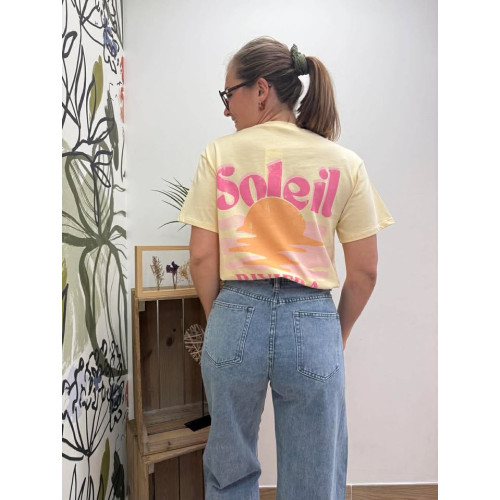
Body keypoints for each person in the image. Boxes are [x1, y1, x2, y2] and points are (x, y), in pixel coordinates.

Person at [178, 36, 394, 500]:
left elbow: (201, 257)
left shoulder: (219, 154)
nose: (225, 109)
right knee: (315, 472)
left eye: (228, 94)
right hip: (312, 320)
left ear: (260, 90)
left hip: (236, 311)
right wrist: (336, 334)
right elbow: (365, 271)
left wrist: (224, 315)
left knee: (229, 467)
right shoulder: (345, 163)